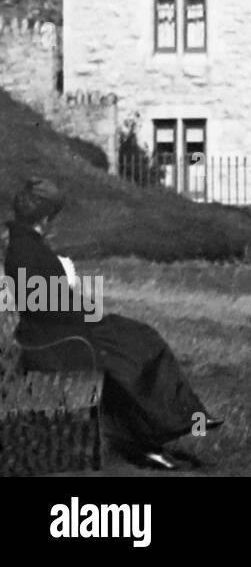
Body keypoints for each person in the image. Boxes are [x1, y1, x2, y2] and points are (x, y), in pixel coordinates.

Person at [3, 177, 221, 470]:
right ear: (46, 217)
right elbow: (54, 307)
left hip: (50, 332)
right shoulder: (33, 252)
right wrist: (69, 280)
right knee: (143, 347)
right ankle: (165, 432)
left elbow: (47, 303)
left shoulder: (21, 245)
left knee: (138, 340)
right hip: (61, 339)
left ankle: (157, 435)